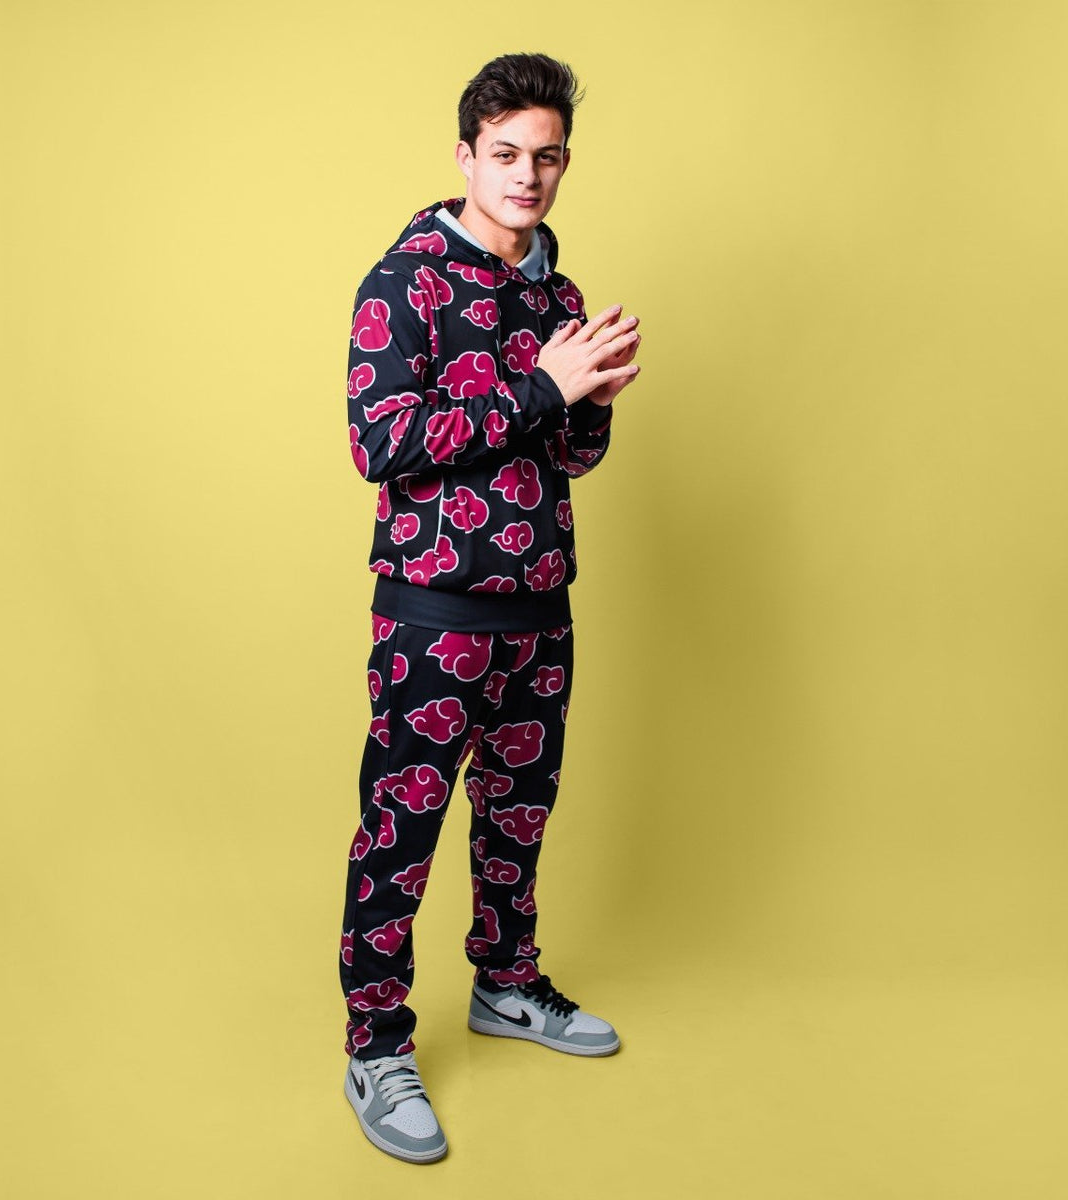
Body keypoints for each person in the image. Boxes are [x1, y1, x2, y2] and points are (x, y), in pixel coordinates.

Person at [339, 52, 642, 1164]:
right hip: (434, 611)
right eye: (506, 153)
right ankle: (376, 1043)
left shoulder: (558, 295)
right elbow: (382, 443)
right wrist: (543, 389)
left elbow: (568, 455)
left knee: (519, 814)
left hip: (541, 607)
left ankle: (506, 984)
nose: (527, 175)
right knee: (402, 829)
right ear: (465, 156)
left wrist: (592, 400)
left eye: (547, 156)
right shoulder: (405, 281)